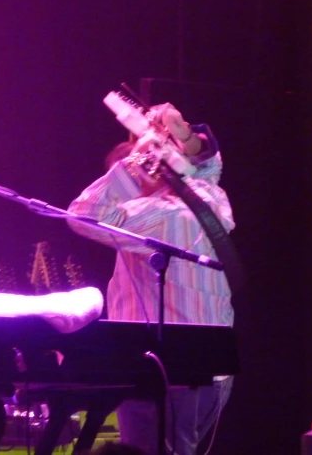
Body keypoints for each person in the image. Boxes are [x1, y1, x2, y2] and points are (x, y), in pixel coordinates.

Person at [67, 103, 235, 455]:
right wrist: (183, 134)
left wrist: (144, 156)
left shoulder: (159, 215)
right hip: (210, 363)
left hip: (164, 366)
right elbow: (208, 167)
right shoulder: (211, 198)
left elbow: (82, 215)